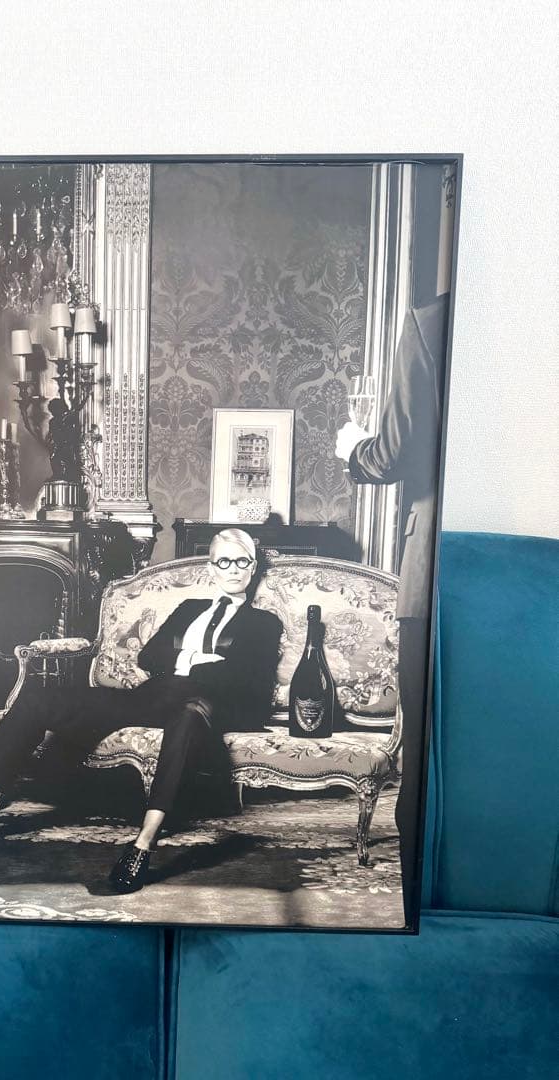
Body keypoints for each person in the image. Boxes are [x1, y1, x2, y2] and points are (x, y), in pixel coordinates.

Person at [0, 528, 283, 894]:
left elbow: (246, 680)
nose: (234, 569)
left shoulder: (264, 623)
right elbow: (150, 657)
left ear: (252, 568)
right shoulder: (190, 609)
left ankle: (143, 843)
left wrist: (185, 662)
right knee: (40, 698)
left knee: (185, 718)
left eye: (242, 561)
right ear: (212, 567)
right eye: (224, 561)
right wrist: (198, 658)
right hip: (153, 696)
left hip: (206, 703)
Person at [335, 294, 449, 922]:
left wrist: (354, 447)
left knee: (421, 758)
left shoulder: (430, 322)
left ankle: (414, 918)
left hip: (434, 569)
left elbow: (392, 454)